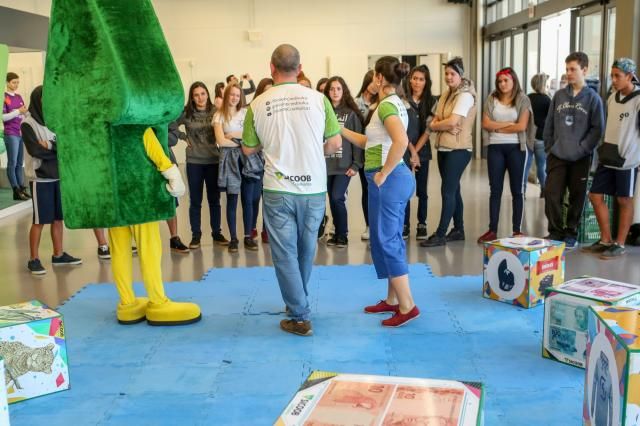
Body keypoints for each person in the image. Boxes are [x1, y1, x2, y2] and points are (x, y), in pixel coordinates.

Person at [242, 44, 341, 336]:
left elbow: (248, 148)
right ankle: (298, 302)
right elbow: (335, 143)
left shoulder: (257, 104)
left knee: (285, 254)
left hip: (278, 188)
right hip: (313, 188)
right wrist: (313, 152)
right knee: (306, 249)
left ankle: (298, 314)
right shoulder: (319, 99)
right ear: (299, 69)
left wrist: (270, 142)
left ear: (271, 68)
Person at [341, 56, 420, 327]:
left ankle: (407, 306)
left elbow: (401, 141)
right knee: (384, 238)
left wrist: (384, 173)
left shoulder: (386, 106)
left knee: (388, 240)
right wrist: (340, 130)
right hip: (390, 179)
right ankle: (393, 299)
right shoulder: (391, 104)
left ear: (378, 77)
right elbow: (370, 142)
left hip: (390, 180)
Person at [543, 52, 604, 249]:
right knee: (552, 194)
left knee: (577, 197)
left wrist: (583, 148)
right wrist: (550, 146)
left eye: (573, 69)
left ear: (584, 70)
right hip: (557, 155)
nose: (568, 73)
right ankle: (555, 231)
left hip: (581, 157)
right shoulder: (559, 96)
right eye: (567, 69)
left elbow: (597, 129)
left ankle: (571, 233)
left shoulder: (593, 98)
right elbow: (549, 123)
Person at [582, 58, 640, 259]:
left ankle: (620, 244)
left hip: (628, 159)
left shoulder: (638, 99)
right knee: (595, 195)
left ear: (630, 76)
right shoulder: (611, 98)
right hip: (608, 156)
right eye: (612, 76)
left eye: (618, 76)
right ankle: (605, 239)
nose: (613, 80)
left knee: (624, 199)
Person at [21, 86, 82, 274]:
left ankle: (58, 254)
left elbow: (68, 145)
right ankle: (33, 259)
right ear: (37, 100)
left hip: (58, 176)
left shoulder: (55, 121)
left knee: (58, 219)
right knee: (39, 221)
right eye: (44, 99)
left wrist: (49, 146)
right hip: (40, 179)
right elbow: (35, 151)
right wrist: (56, 151)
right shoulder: (28, 124)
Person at [420, 57, 477, 248]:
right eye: (446, 73)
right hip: (444, 148)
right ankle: (459, 229)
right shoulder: (446, 94)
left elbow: (452, 122)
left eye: (452, 74)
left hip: (459, 150)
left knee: (447, 192)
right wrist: (439, 125)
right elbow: (434, 120)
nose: (449, 77)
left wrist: (438, 125)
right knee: (454, 190)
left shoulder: (465, 96)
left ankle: (440, 234)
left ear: (461, 75)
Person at [478, 67, 535, 242]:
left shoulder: (523, 99)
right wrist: (509, 124)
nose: (502, 84)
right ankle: (492, 230)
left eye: (506, 80)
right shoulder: (492, 98)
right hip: (495, 148)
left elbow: (521, 126)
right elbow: (485, 123)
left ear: (513, 81)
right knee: (495, 190)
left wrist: (496, 127)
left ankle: (517, 230)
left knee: (517, 190)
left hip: (517, 148)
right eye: (500, 81)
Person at [177, 82, 229, 249]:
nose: (200, 98)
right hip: (194, 162)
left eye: (203, 94)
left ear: (207, 94)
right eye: (196, 95)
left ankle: (217, 233)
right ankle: (196, 235)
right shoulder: (186, 113)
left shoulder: (216, 111)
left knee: (214, 200)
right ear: (192, 98)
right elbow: (170, 125)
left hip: (213, 160)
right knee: (195, 201)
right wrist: (183, 136)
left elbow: (227, 126)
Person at [213, 83, 262, 252]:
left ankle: (248, 236)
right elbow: (221, 141)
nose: (234, 98)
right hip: (230, 162)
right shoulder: (219, 115)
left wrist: (233, 135)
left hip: (248, 160)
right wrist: (242, 143)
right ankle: (233, 238)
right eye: (231, 94)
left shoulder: (246, 113)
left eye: (237, 95)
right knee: (232, 199)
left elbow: (254, 135)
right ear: (226, 95)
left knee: (247, 199)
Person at [323, 76, 364, 248]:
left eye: (338, 88)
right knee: (332, 199)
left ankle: (343, 234)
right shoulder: (323, 112)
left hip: (343, 165)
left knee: (337, 197)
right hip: (326, 165)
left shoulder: (351, 114)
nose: (335, 92)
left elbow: (357, 141)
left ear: (343, 91)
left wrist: (356, 164)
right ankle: (337, 233)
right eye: (332, 89)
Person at [403, 65, 438, 241]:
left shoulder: (432, 102)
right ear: (410, 79)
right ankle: (405, 224)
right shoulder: (402, 100)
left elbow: (428, 130)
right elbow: (400, 129)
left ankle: (422, 223)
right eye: (414, 78)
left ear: (426, 82)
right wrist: (411, 151)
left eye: (421, 79)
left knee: (422, 191)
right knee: (405, 190)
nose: (417, 82)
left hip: (422, 152)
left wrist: (415, 153)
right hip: (404, 150)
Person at [354, 70, 378, 240]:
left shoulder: (380, 102)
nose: (374, 85)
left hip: (376, 150)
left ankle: (378, 226)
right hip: (361, 149)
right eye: (372, 82)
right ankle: (369, 226)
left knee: (376, 188)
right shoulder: (356, 102)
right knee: (366, 189)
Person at [250, 78, 273, 244]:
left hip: (272, 162)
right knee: (254, 197)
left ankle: (267, 230)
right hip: (255, 162)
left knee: (269, 199)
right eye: (265, 91)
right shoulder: (254, 109)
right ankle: (251, 227)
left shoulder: (277, 110)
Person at [3, 72, 29, 200]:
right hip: (11, 133)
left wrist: (25, 113)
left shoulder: (19, 97)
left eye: (18, 82)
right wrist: (18, 111)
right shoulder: (4, 97)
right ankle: (15, 190)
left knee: (19, 163)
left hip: (20, 133)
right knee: (12, 163)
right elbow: (3, 117)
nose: (16, 85)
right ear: (7, 82)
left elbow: (24, 114)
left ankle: (21, 188)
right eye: (14, 82)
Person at [525, 73, 551, 197]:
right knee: (541, 166)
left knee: (526, 166)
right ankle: (544, 190)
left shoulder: (527, 98)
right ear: (543, 85)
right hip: (541, 137)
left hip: (528, 136)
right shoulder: (547, 100)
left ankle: (522, 190)